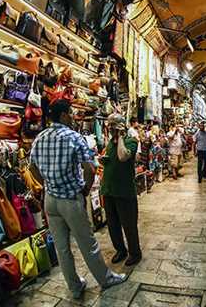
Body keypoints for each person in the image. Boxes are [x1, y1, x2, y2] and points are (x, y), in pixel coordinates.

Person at [29, 100, 126, 299]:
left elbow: (32, 169)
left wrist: (48, 183)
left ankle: (74, 287)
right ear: (64, 115)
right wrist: (85, 190)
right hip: (70, 200)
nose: (73, 117)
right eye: (71, 113)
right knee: (87, 243)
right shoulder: (73, 137)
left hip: (51, 200)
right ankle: (106, 279)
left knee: (62, 247)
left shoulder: (40, 137)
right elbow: (89, 169)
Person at [100, 114, 142, 266]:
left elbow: (123, 156)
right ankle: (120, 250)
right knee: (113, 225)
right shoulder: (110, 143)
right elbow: (112, 159)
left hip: (124, 192)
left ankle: (135, 253)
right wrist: (103, 160)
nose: (110, 128)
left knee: (129, 224)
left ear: (120, 126)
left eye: (113, 125)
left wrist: (121, 137)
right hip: (109, 190)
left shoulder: (131, 141)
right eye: (109, 125)